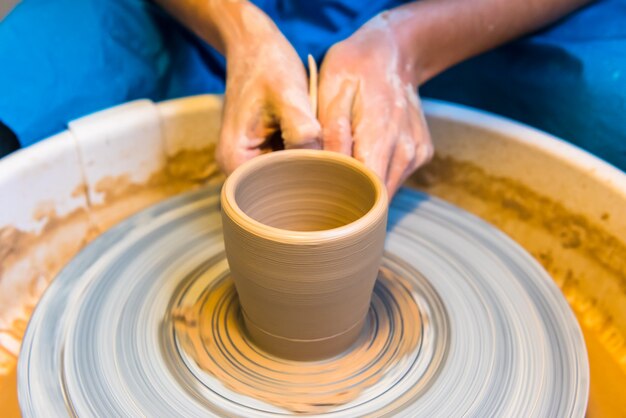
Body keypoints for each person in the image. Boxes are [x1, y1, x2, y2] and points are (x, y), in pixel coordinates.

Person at [0, 0, 622, 197]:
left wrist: (405, 46)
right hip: (225, 11)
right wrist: (238, 30)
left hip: (463, 14)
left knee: (606, 103)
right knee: (26, 79)